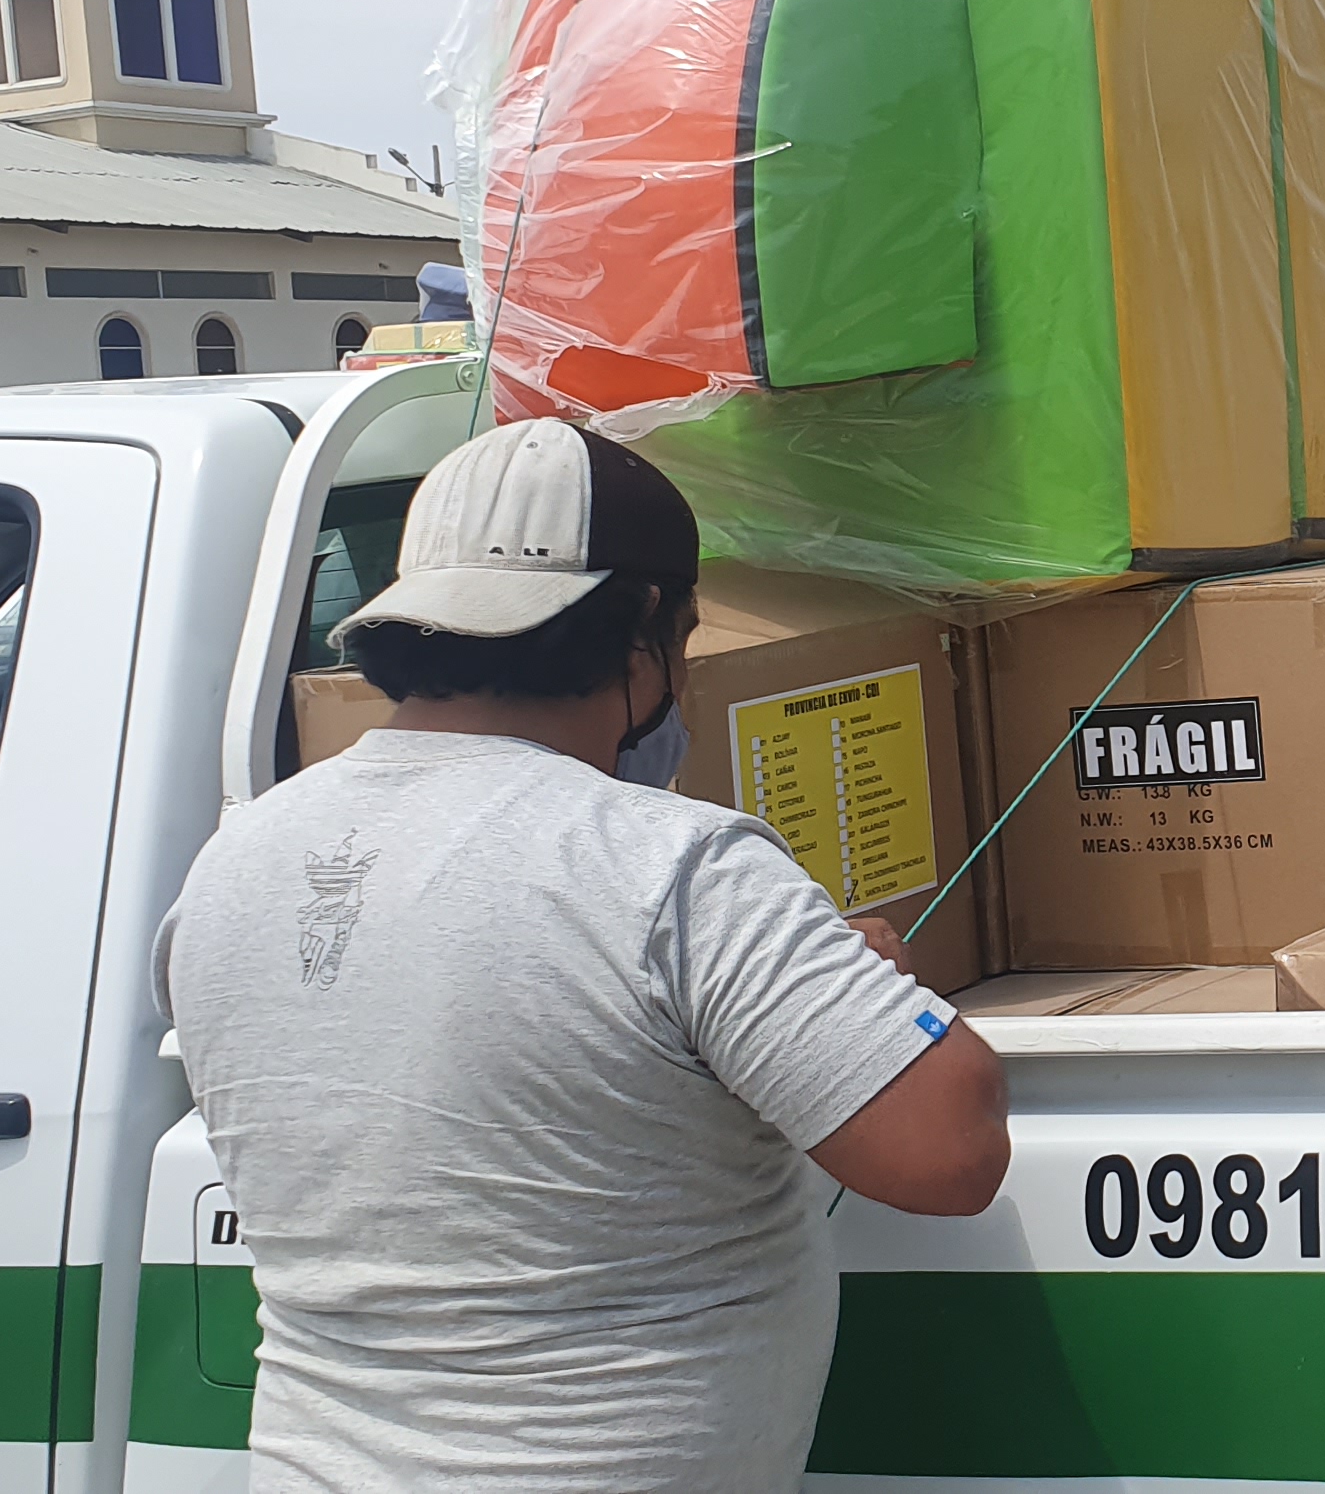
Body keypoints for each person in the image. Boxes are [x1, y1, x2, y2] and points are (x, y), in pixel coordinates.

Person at [158, 421, 1012, 1493]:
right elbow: (949, 1151)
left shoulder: (232, 864)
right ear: (646, 627)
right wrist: (863, 983)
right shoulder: (668, 864)